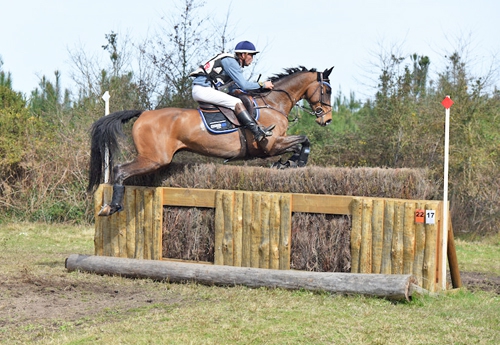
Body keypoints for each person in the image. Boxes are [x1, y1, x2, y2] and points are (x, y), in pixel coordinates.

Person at [191, 41, 275, 142]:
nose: (252, 59)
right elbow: (244, 85)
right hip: (203, 90)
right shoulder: (231, 62)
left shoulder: (232, 63)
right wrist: (263, 84)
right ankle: (256, 132)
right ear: (243, 55)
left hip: (202, 89)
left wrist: (254, 90)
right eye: (251, 55)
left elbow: (235, 88)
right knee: (236, 103)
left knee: (235, 100)